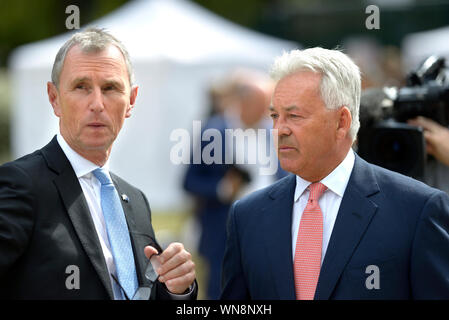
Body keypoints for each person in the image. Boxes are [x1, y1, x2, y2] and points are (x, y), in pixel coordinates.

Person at [220, 47, 449, 300]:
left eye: (294, 116)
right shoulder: (247, 216)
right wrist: (180, 296)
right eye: (275, 116)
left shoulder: (417, 211)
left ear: (342, 122)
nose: (279, 129)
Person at [0, 28, 197, 300]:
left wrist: (176, 289)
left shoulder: (136, 201)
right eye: (81, 87)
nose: (97, 104)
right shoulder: (20, 184)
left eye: (110, 88)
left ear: (131, 100)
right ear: (54, 98)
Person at [183, 69, 286, 299]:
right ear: (243, 101)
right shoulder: (213, 131)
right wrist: (222, 189)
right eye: (261, 105)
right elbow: (189, 182)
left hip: (269, 226)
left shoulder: (273, 132)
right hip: (224, 231)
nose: (266, 112)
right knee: (223, 292)